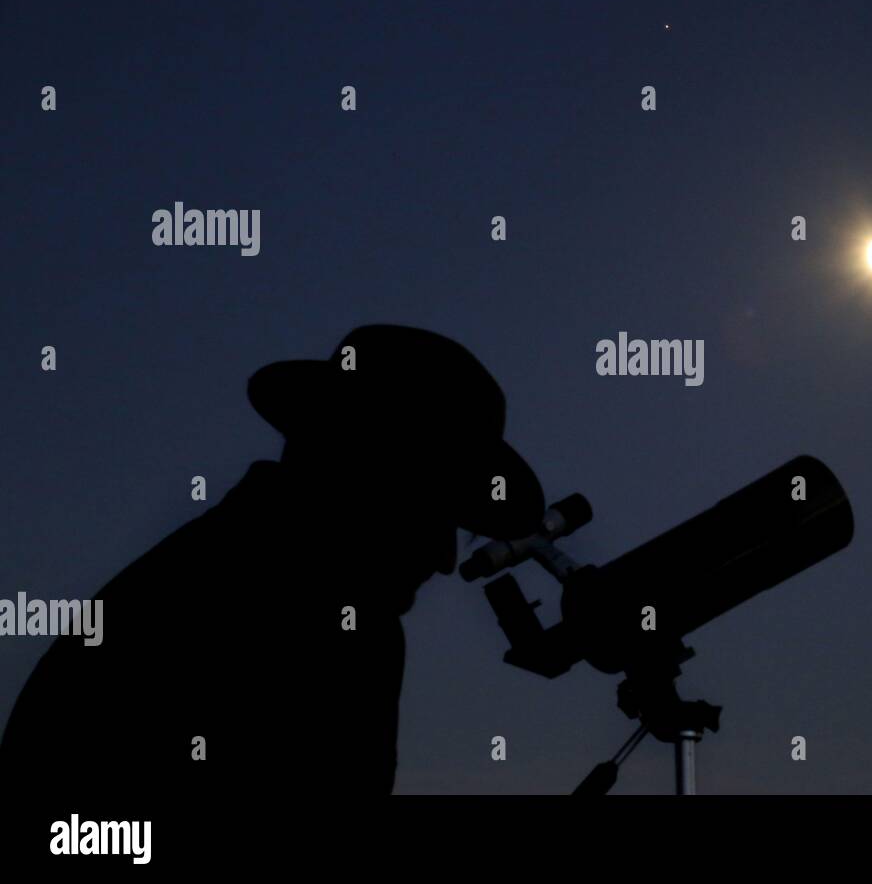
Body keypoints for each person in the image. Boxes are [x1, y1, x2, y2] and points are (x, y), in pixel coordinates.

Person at [0, 325, 543, 794]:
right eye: (432, 504)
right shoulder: (321, 618)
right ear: (362, 468)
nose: (445, 558)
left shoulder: (221, 572)